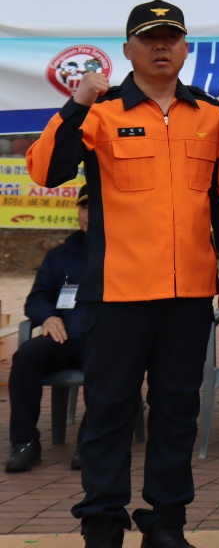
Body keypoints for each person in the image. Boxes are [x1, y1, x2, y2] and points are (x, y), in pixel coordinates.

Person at [26, 0, 219, 548]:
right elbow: (46, 170)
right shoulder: (101, 112)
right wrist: (76, 104)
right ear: (128, 49)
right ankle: (102, 521)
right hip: (116, 293)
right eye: (149, 38)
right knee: (109, 410)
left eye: (171, 37)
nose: (161, 46)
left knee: (177, 410)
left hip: (188, 294)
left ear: (186, 48)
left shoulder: (211, 116)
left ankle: (166, 522)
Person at [6, 183, 91, 474]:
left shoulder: (125, 254)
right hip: (62, 337)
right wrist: (48, 317)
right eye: (84, 208)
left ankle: (91, 444)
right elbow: (37, 297)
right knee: (26, 356)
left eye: (97, 209)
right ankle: (25, 443)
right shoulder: (60, 256)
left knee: (110, 364)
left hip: (103, 340)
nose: (89, 215)